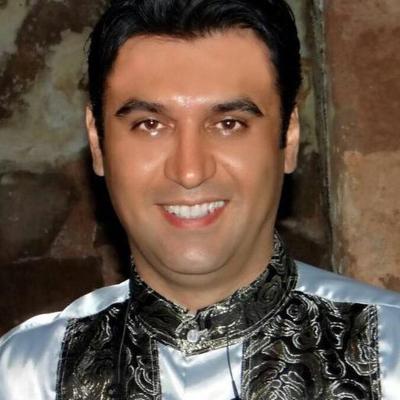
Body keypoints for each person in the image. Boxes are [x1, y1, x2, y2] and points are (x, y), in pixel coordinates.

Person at [1, 0, 399, 399]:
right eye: (150, 125)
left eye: (228, 124)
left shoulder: (390, 357)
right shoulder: (27, 377)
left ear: (289, 137)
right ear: (97, 141)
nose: (189, 171)